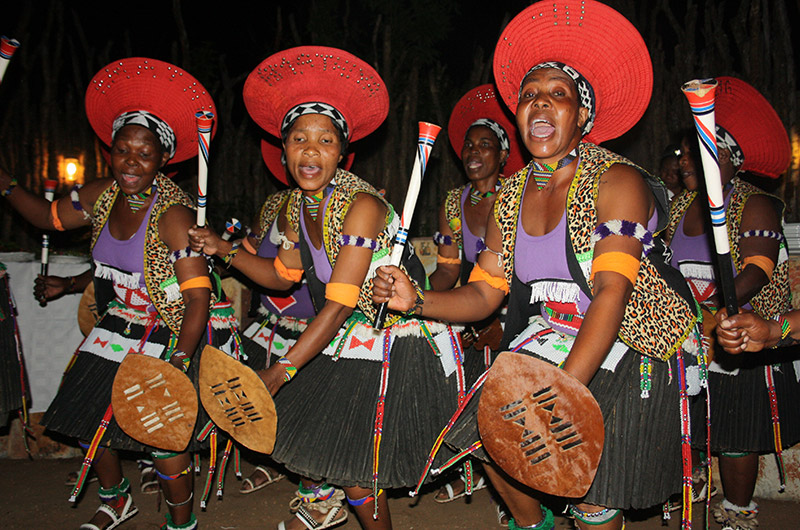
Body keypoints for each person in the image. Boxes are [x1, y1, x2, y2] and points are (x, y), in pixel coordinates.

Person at [373, 2, 703, 529]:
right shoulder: (511, 196)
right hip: (552, 333)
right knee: (488, 437)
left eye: (558, 95)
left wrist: (564, 396)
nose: (540, 105)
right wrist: (418, 299)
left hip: (630, 335)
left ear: (583, 116)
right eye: (529, 96)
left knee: (592, 486)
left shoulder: (617, 180)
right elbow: (484, 293)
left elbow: (612, 294)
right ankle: (535, 525)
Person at [189, 46, 464, 530]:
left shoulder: (362, 205)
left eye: (324, 140)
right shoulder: (297, 207)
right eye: (299, 139)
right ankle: (323, 503)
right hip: (346, 336)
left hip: (392, 340)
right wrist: (222, 249)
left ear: (341, 151)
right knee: (327, 452)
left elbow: (337, 304)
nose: (310, 151)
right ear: (284, 149)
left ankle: (337, 504)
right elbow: (280, 276)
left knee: (356, 468)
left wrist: (281, 371)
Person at [0, 57, 241, 530]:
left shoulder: (174, 215)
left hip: (173, 331)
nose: (131, 161)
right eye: (122, 149)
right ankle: (116, 498)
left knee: (161, 437)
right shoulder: (103, 194)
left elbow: (196, 301)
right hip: (118, 324)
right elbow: (47, 218)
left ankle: (180, 521)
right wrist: (5, 184)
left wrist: (178, 364)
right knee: (89, 413)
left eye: (144, 153)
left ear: (163, 159)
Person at [663, 76, 797, 530]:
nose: (683, 160)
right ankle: (693, 482)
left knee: (736, 433)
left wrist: (715, 315)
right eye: (682, 154)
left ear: (729, 161)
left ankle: (740, 512)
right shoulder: (681, 207)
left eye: (693, 152)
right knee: (689, 421)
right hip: (690, 333)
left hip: (740, 333)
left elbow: (754, 274)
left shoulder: (756, 204)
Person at [428, 84, 524, 520]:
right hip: (476, 302)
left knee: (506, 403)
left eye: (486, 145)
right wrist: (420, 297)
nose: (474, 151)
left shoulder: (518, 195)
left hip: (520, 308)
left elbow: (527, 269)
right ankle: (470, 472)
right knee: (460, 387)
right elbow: (449, 267)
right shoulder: (454, 200)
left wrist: (504, 320)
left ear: (503, 155)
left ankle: (518, 490)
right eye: (469, 144)